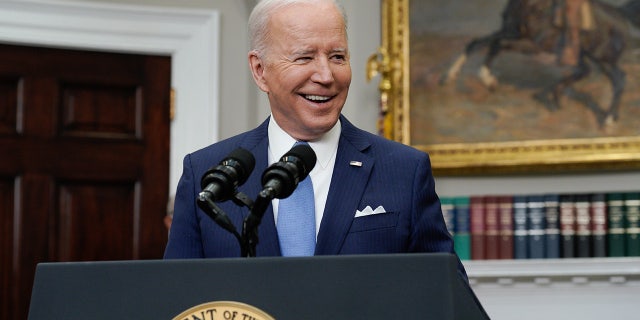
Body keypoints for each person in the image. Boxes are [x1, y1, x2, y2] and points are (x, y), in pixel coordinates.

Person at [163, 0, 467, 278]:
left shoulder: (404, 170)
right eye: (304, 57)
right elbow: (177, 299)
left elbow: (446, 296)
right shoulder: (207, 174)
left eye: (337, 56)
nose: (325, 75)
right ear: (260, 70)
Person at [557, 0, 595, 66]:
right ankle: (569, 57)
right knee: (569, 35)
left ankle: (573, 58)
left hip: (576, 19)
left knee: (574, 36)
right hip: (570, 18)